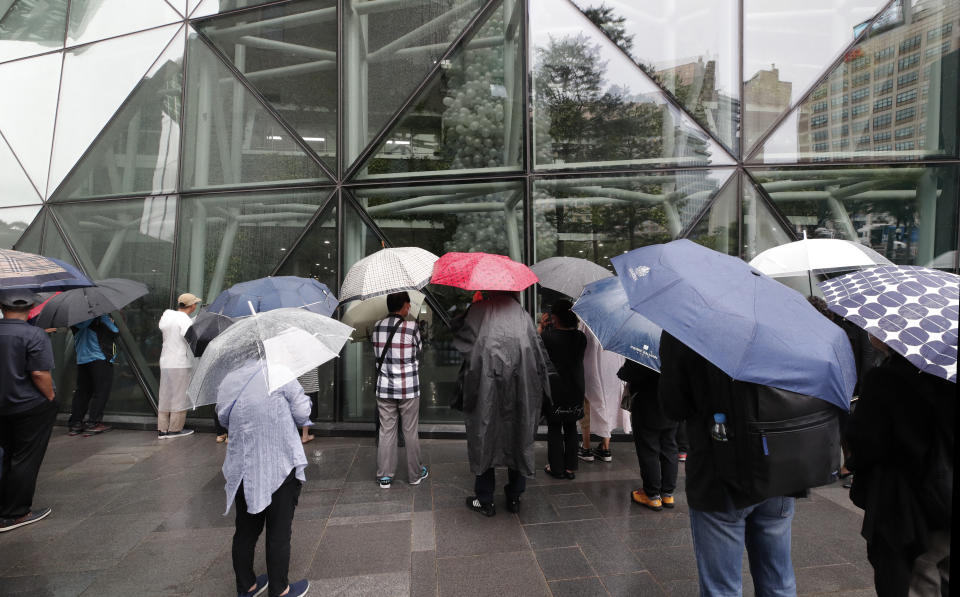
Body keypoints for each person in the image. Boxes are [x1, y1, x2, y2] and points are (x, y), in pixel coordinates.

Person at [658, 331, 798, 596]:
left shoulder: (684, 328)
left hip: (718, 472)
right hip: (777, 462)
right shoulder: (773, 316)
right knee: (778, 581)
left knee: (722, 588)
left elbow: (673, 407)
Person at [845, 336, 953, 596]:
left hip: (903, 503)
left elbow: (866, 444)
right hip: (944, 493)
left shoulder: (886, 380)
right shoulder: (948, 374)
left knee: (910, 577)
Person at [217, 360, 312, 597]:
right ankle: (280, 590)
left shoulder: (229, 378)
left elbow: (223, 418)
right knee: (278, 531)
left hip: (243, 466)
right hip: (278, 463)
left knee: (245, 531)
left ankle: (246, 585)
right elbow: (303, 414)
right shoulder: (279, 371)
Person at [453, 291, 551, 516]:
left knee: (484, 435)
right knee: (519, 434)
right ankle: (514, 496)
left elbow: (463, 345)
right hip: (520, 387)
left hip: (485, 387)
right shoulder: (523, 315)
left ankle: (485, 499)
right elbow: (538, 355)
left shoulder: (479, 311)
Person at [0, 290, 57, 532]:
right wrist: (51, 396)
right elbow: (39, 373)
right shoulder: (34, 334)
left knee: (5, 454)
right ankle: (16, 513)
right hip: (28, 405)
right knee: (25, 458)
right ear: (32, 306)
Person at [372, 292, 427, 489]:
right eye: (408, 304)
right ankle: (415, 475)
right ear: (404, 305)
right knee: (410, 431)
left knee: (387, 431)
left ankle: (385, 476)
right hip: (408, 388)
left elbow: (377, 355)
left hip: (385, 388)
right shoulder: (412, 327)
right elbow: (419, 353)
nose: (409, 307)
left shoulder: (377, 326)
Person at [617, 360, 677, 511]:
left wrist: (623, 370)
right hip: (671, 405)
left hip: (647, 405)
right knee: (669, 448)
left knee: (649, 450)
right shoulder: (678, 345)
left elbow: (627, 374)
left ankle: (652, 495)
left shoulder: (644, 352)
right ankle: (667, 494)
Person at [539, 301, 586, 480]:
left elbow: (536, 349)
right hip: (576, 386)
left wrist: (542, 327)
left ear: (556, 317)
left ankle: (556, 468)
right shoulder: (581, 337)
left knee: (554, 426)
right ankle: (570, 468)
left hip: (555, 387)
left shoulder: (548, 336)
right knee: (571, 426)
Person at [578, 325, 625, 463]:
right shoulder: (619, 325)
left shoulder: (588, 323)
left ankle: (586, 448)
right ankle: (605, 448)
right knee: (609, 405)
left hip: (590, 369)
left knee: (587, 406)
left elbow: (580, 342)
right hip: (613, 372)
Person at [157, 293, 200, 439]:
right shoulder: (183, 319)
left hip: (165, 361)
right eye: (195, 303)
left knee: (165, 395)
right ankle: (175, 429)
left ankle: (162, 429)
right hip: (180, 362)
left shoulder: (167, 315)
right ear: (192, 306)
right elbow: (189, 337)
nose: (196, 306)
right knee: (179, 396)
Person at [67, 313, 119, 436]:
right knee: (101, 391)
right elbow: (115, 330)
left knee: (82, 392)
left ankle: (75, 424)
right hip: (99, 357)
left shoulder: (74, 320)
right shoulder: (100, 317)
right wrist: (110, 320)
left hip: (82, 359)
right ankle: (93, 423)